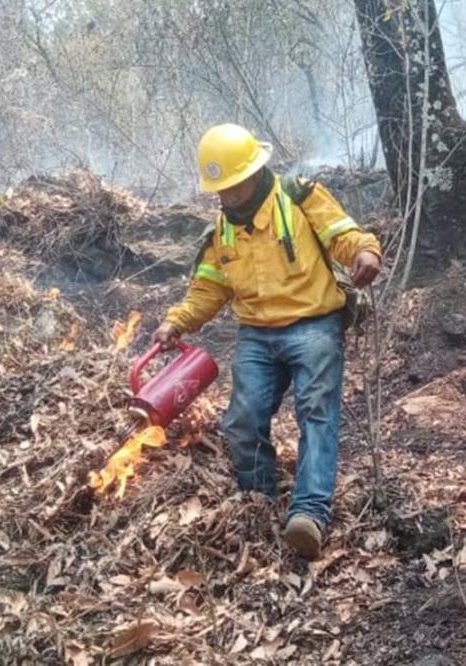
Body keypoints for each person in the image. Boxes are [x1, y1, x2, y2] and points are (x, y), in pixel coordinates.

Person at [153, 124, 383, 561]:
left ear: (254, 173)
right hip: (257, 333)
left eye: (233, 186)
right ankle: (258, 503)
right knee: (242, 420)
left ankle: (309, 514)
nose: (226, 196)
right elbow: (208, 288)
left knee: (316, 412)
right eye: (220, 189)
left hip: (313, 324)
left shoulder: (298, 197)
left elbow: (343, 234)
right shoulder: (221, 231)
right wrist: (176, 323)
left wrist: (365, 253)